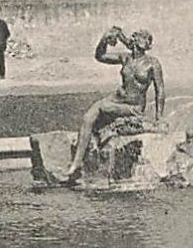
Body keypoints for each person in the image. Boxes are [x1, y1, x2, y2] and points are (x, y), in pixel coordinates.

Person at [65, 26, 165, 180]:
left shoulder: (152, 63)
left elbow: (160, 91)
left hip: (133, 107)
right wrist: (104, 39)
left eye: (148, 39)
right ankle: (76, 163)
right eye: (143, 37)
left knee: (103, 106)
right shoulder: (125, 58)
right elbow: (100, 56)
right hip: (117, 99)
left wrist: (159, 118)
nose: (145, 40)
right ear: (134, 39)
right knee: (87, 117)